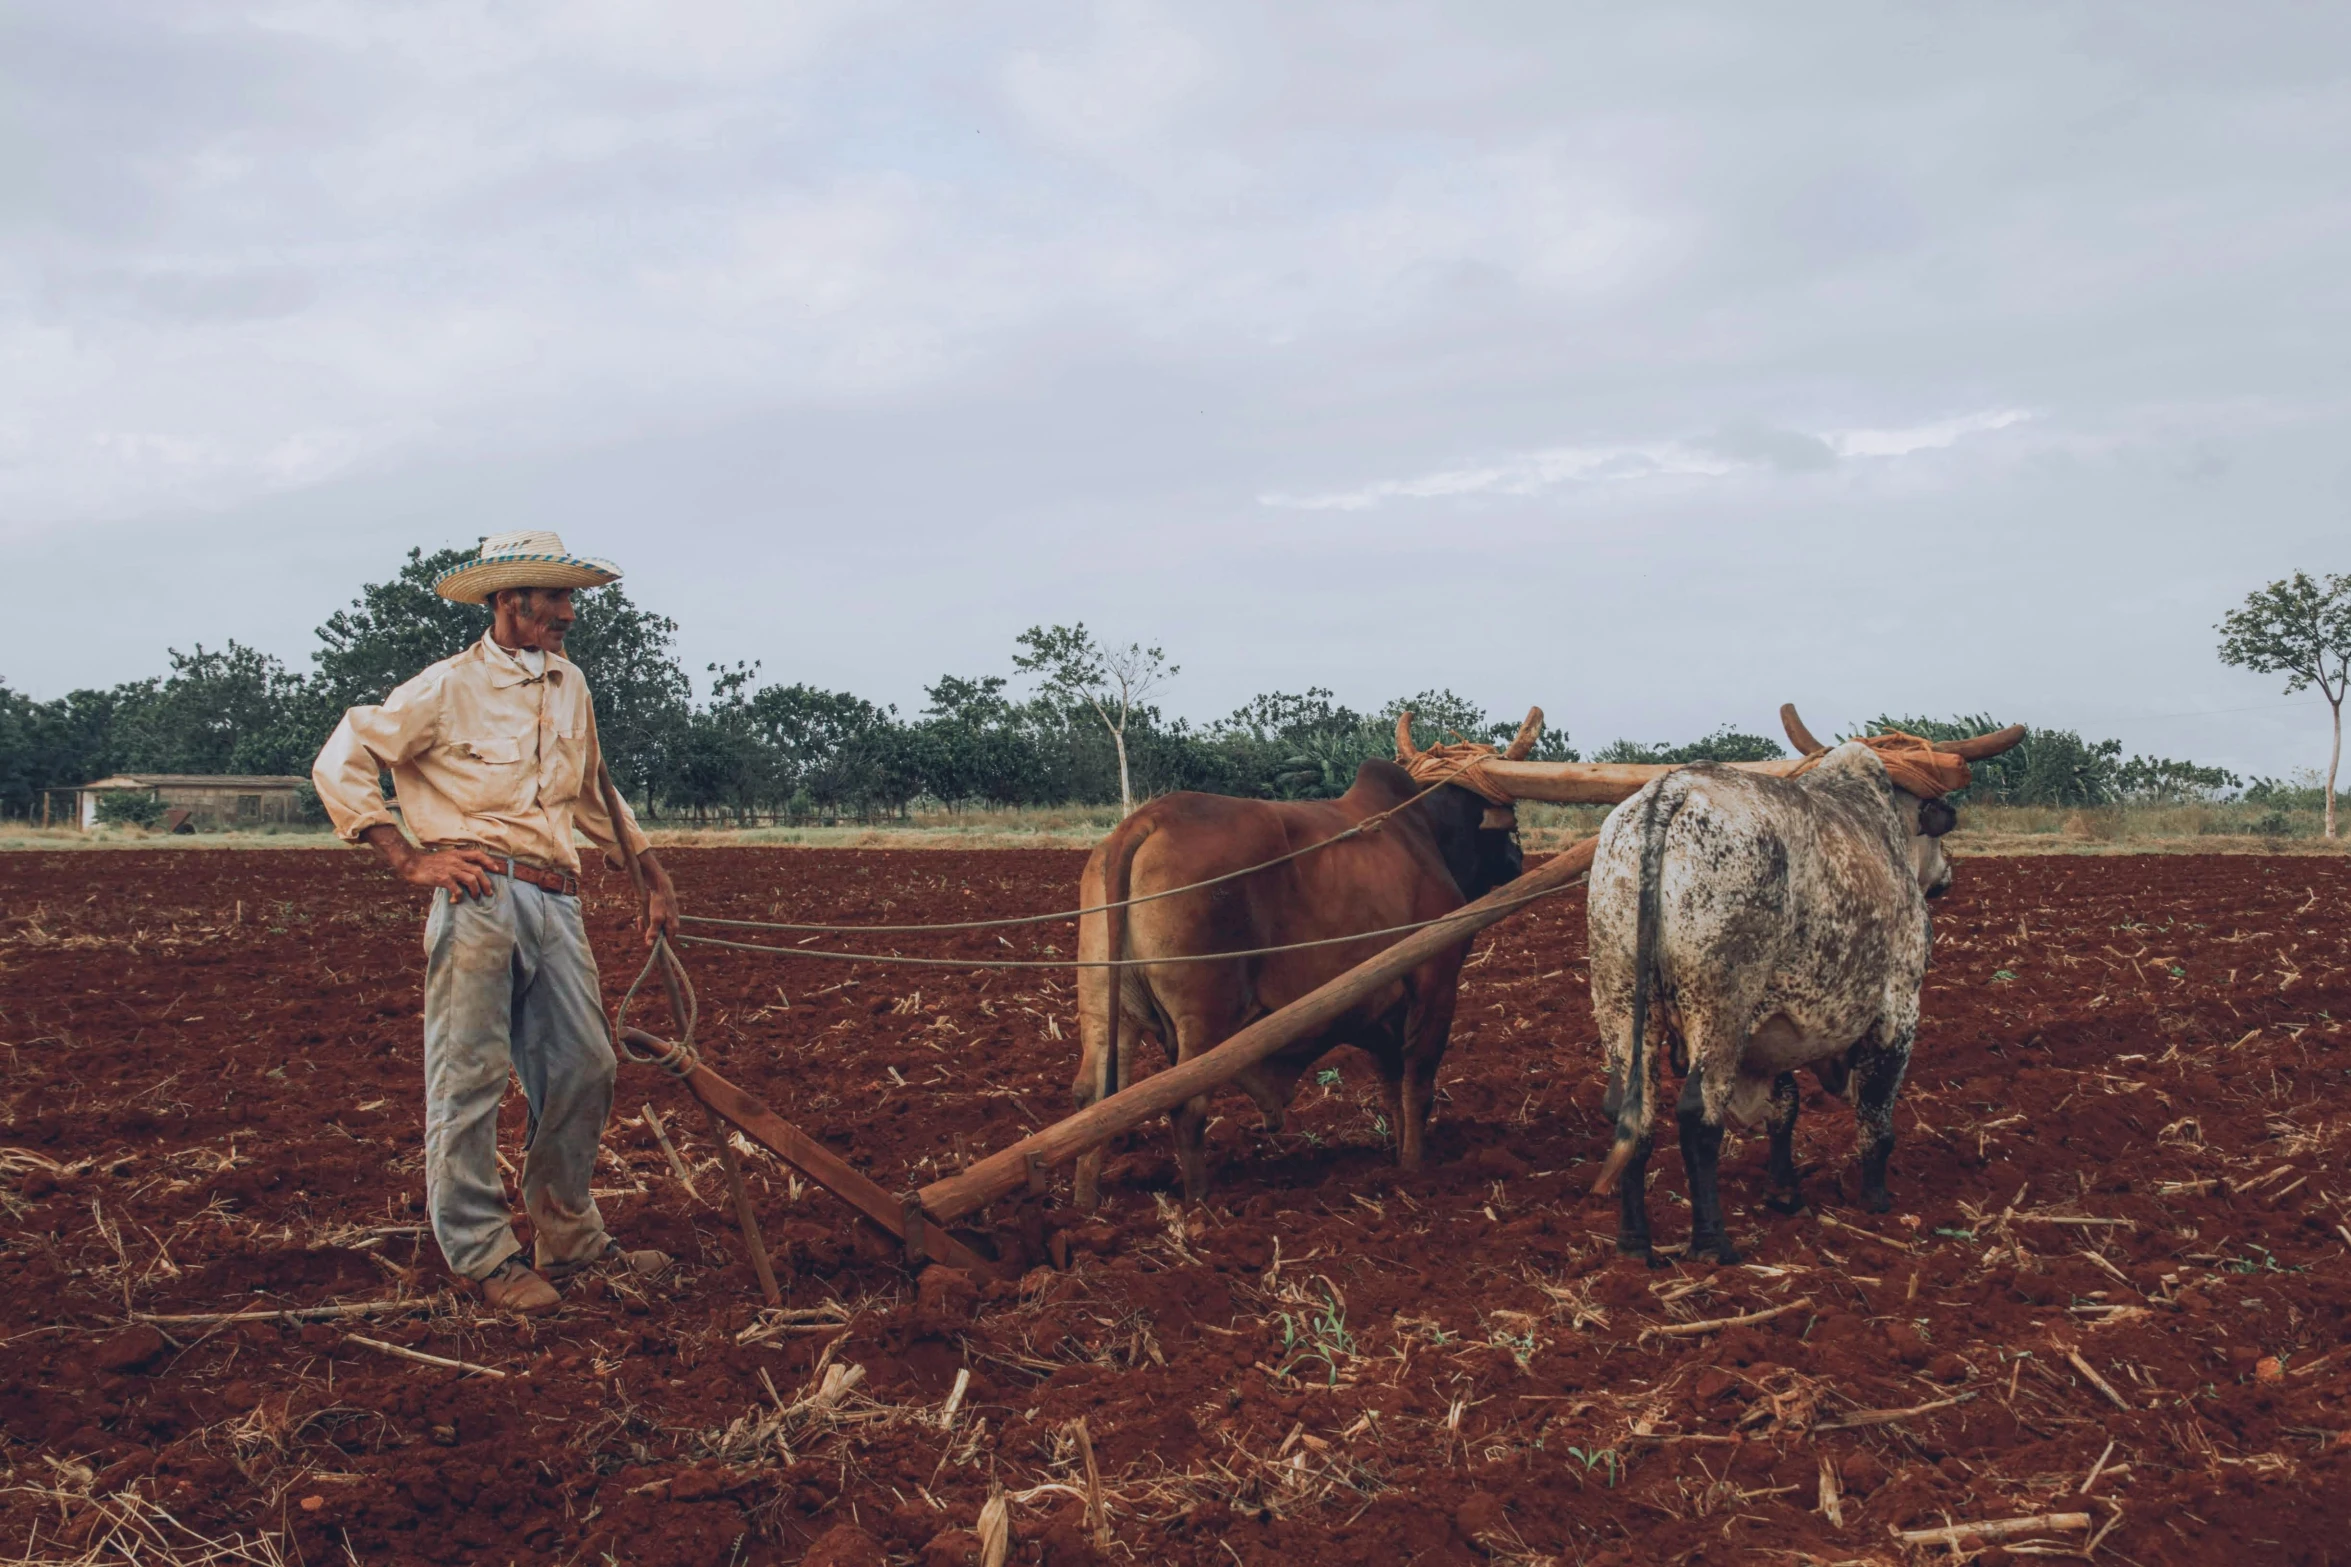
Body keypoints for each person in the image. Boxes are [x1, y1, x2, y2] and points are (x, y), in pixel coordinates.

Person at [313, 530, 683, 1314]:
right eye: (555, 598)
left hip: (556, 895)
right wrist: (407, 859)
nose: (569, 614)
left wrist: (650, 872)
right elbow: (342, 756)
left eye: (570, 598)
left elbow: (590, 793)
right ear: (508, 601)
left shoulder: (570, 685)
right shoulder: (445, 687)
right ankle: (481, 1252)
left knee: (587, 1065)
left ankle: (569, 1234)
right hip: (479, 892)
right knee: (470, 1076)